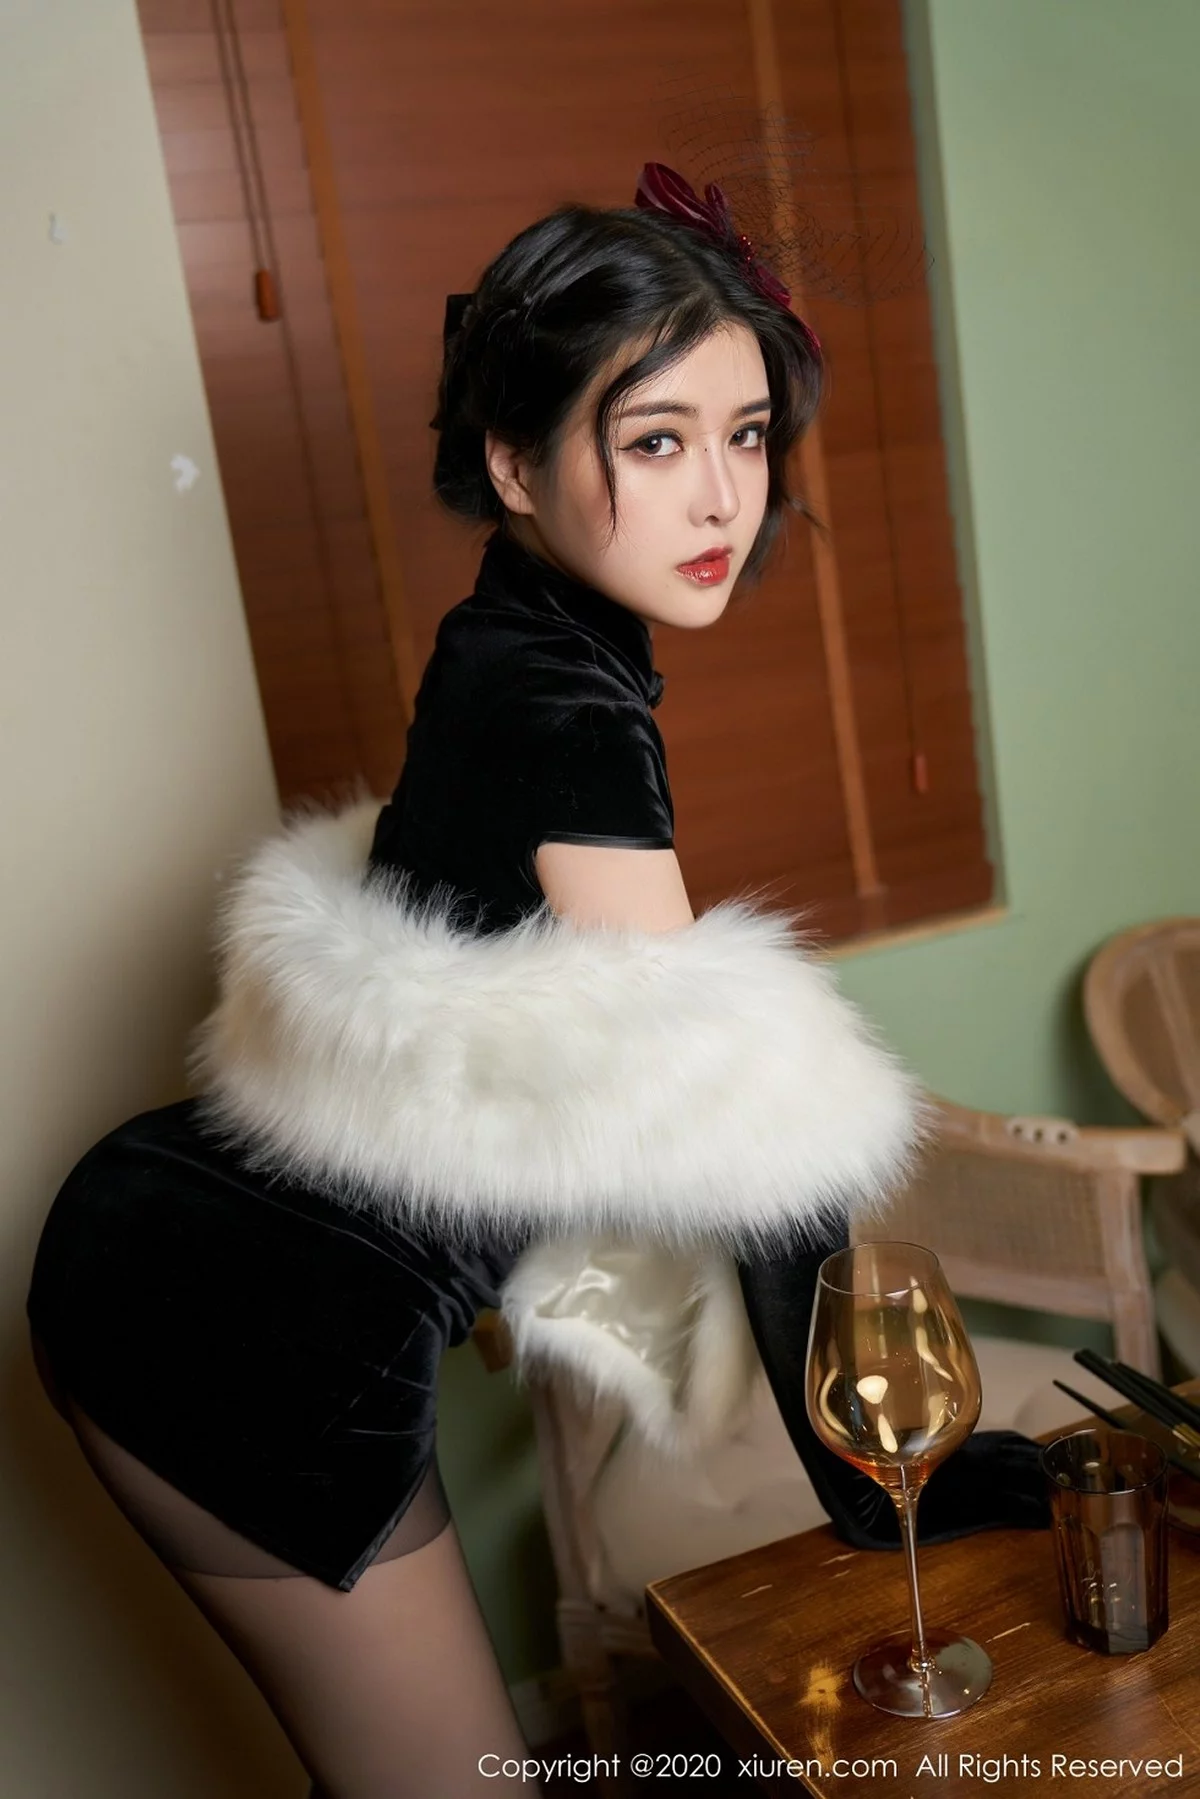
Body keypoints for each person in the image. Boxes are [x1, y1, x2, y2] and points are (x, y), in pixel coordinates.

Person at [26, 166, 1048, 1799]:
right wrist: (869, 1478)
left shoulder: (520, 641)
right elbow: (741, 1118)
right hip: (235, 1324)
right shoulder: (562, 707)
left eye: (747, 435)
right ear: (514, 462)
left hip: (198, 1263)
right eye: (656, 441)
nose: (722, 498)